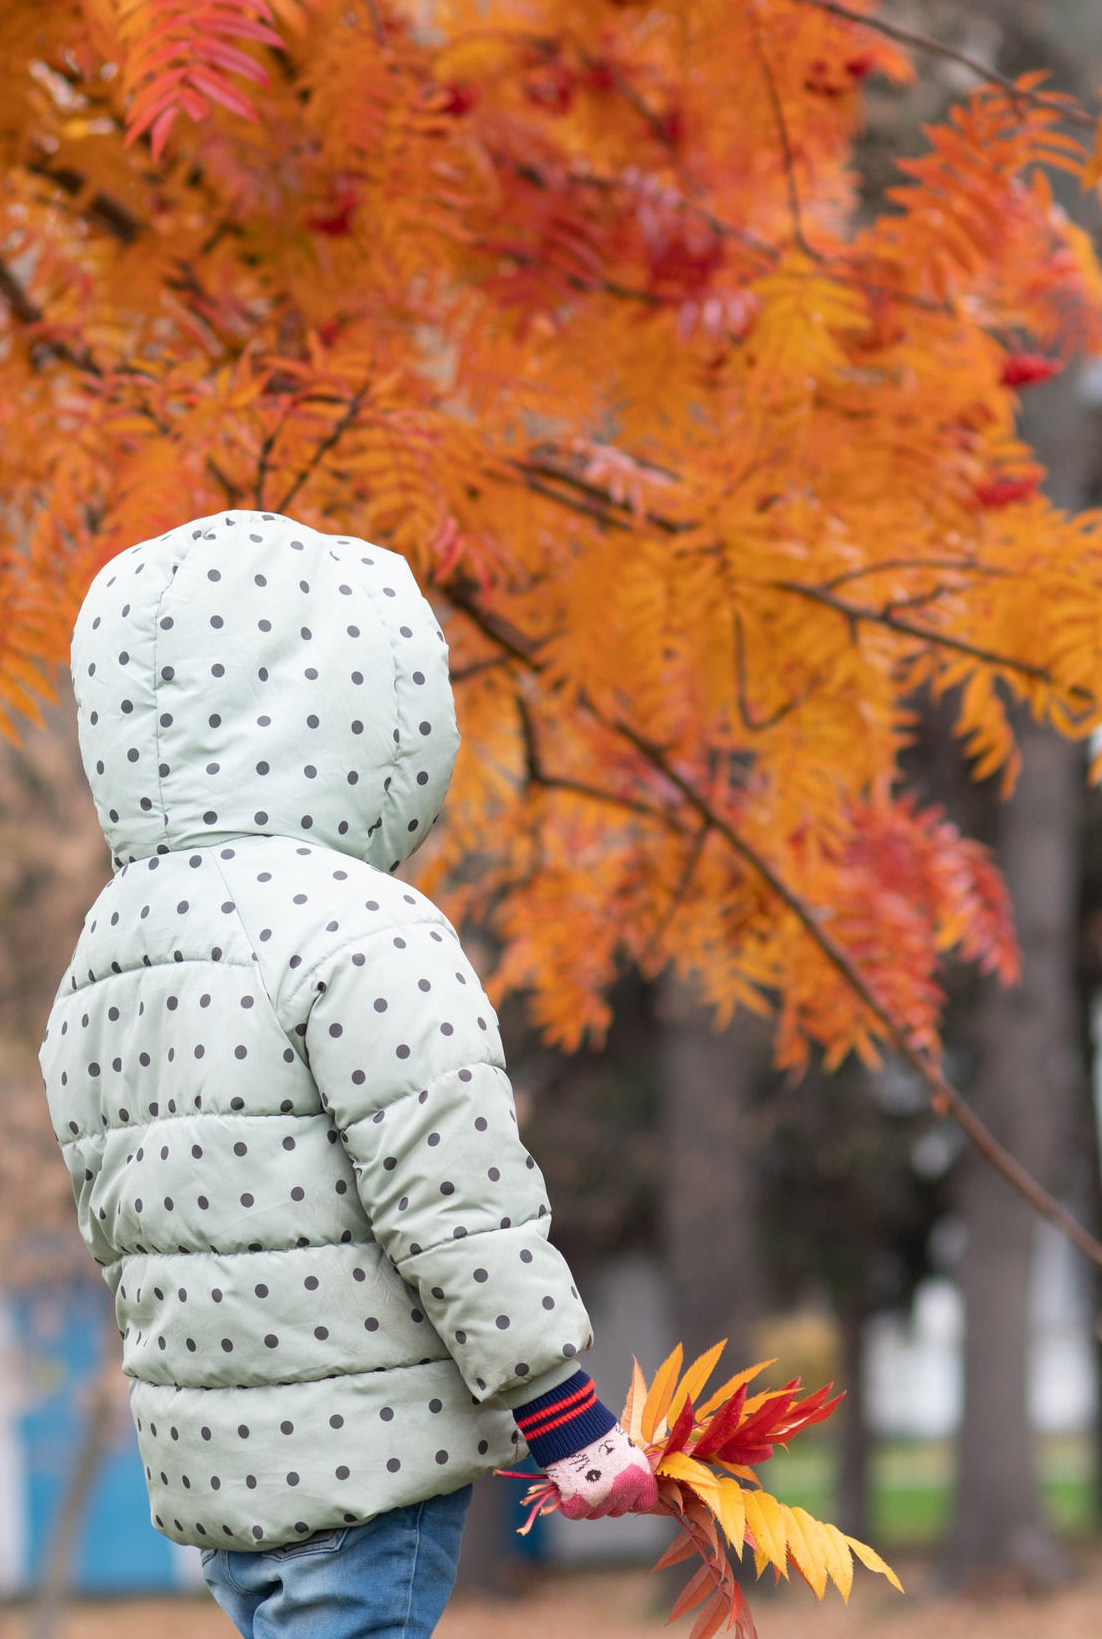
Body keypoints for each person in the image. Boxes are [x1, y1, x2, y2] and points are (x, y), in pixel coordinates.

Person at [43, 514, 657, 1639]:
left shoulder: (110, 945)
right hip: (367, 1452)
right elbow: (452, 1198)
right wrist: (562, 1417)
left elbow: (113, 1213)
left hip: (214, 1470)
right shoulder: (357, 926)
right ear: (371, 706)